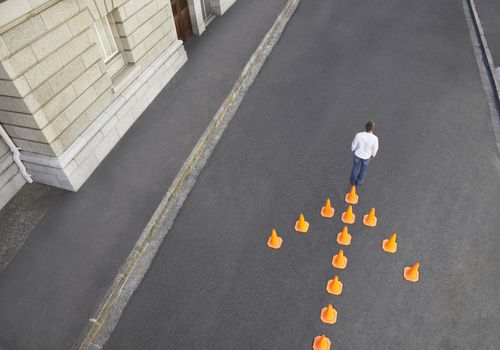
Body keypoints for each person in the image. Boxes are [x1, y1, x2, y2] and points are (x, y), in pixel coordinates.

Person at [349, 120, 378, 186]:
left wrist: (353, 149)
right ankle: (359, 181)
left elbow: (354, 144)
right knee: (363, 169)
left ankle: (352, 180)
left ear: (365, 127)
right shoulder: (375, 138)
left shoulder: (359, 135)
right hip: (366, 156)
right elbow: (375, 148)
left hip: (358, 154)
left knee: (355, 167)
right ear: (372, 128)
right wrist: (373, 154)